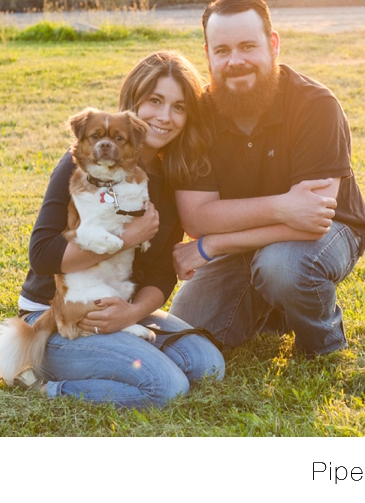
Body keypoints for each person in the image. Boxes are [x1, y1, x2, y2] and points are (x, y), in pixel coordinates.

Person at [170, 0, 365, 357]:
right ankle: (272, 313)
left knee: (282, 266)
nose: (236, 61)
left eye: (248, 46)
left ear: (274, 44)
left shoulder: (316, 106)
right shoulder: (199, 116)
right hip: (254, 233)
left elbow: (312, 221)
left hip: (330, 230)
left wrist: (213, 246)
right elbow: (197, 219)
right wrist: (283, 206)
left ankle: (323, 344)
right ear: (208, 54)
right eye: (222, 51)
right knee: (187, 331)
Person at [12, 51, 224, 408]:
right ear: (134, 101)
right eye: (155, 101)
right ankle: (44, 381)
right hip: (58, 313)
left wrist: (131, 313)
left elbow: (160, 273)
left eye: (179, 107)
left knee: (207, 366)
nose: (164, 117)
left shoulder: (170, 177)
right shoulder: (85, 163)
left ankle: (112, 356)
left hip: (122, 306)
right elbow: (43, 253)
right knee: (167, 388)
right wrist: (127, 238)